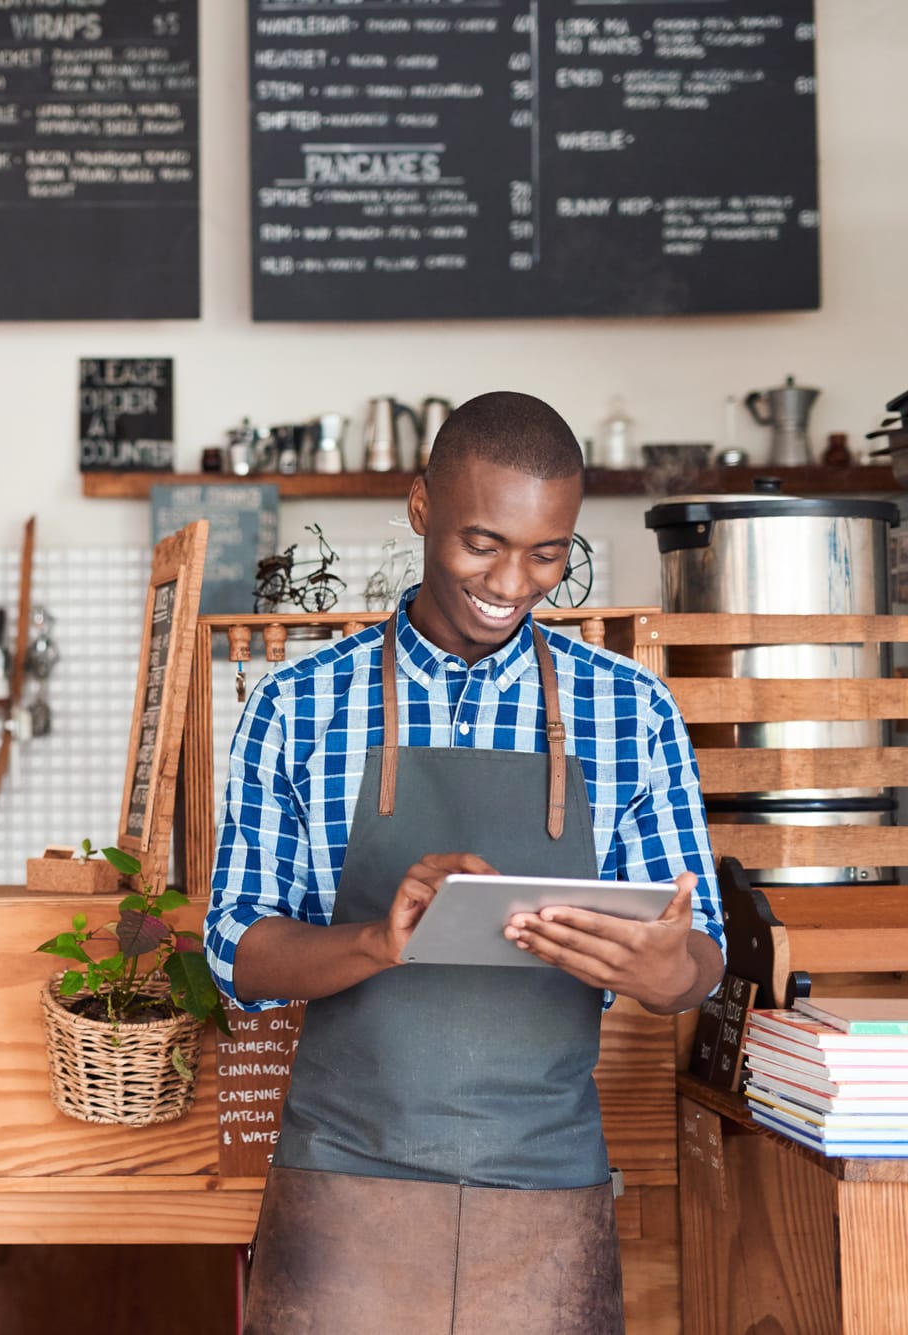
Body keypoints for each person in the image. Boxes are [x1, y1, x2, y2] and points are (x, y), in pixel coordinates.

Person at [206, 391, 725, 1335]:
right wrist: (376, 939)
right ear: (420, 509)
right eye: (482, 542)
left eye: (546, 553)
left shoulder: (633, 713)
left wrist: (666, 971)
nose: (513, 581)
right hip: (342, 1188)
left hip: (548, 1194)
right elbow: (237, 949)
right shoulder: (297, 704)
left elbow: (701, 961)